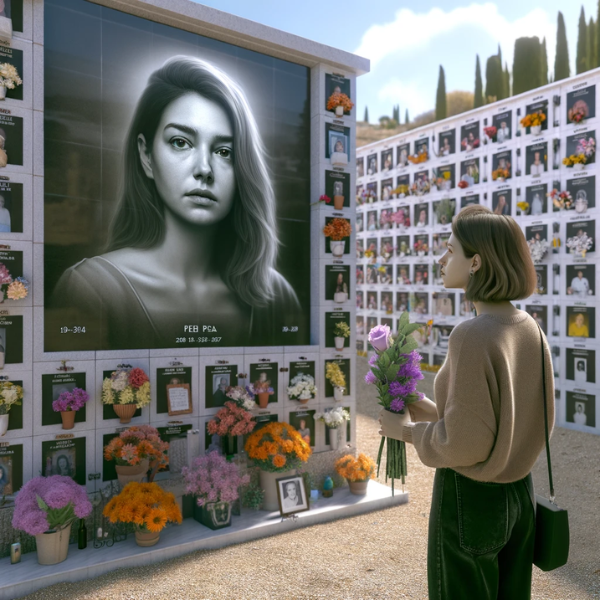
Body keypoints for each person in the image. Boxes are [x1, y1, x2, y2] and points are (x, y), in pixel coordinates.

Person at [49, 57, 301, 349]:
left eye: (223, 151)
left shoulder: (276, 295)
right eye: (181, 142)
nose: (204, 169)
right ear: (146, 156)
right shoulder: (92, 289)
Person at [378, 204, 554, 600]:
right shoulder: (529, 328)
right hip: (520, 496)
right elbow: (499, 419)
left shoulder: (471, 335)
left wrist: (406, 431)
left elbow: (466, 443)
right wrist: (422, 403)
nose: (441, 259)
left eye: (450, 249)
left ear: (475, 262)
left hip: (471, 500)